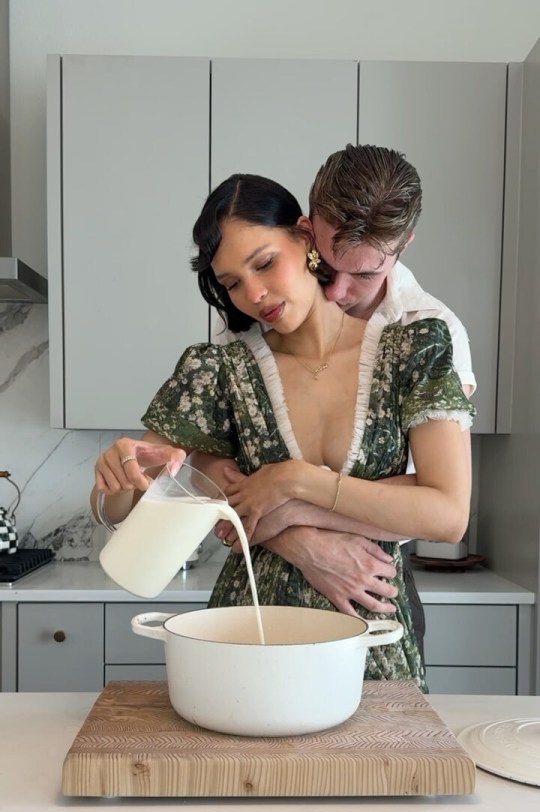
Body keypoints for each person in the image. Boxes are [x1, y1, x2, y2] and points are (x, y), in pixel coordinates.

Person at [91, 173, 475, 692]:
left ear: (305, 237)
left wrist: (292, 487)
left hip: (368, 634)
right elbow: (124, 506)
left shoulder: (414, 347)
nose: (253, 294)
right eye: (230, 283)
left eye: (264, 263)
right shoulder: (219, 369)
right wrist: (116, 480)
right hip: (247, 633)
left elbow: (448, 516)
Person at [194, 144, 476, 659]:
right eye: (326, 266)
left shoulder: (430, 332)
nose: (340, 291)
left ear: (403, 245)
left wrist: (291, 494)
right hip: (264, 585)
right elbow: (212, 460)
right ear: (307, 230)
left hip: (371, 574)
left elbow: (440, 508)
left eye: (365, 274)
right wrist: (298, 541)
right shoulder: (263, 307)